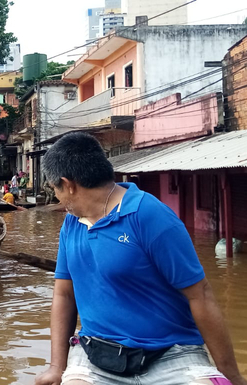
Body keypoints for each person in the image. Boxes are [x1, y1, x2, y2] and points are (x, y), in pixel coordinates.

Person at [35, 132, 245, 385]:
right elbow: (64, 295)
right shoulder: (71, 225)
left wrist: (232, 376)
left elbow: (199, 294)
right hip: (95, 354)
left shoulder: (149, 215)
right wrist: (56, 367)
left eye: (55, 189)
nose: (57, 199)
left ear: (68, 184)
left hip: (172, 354)